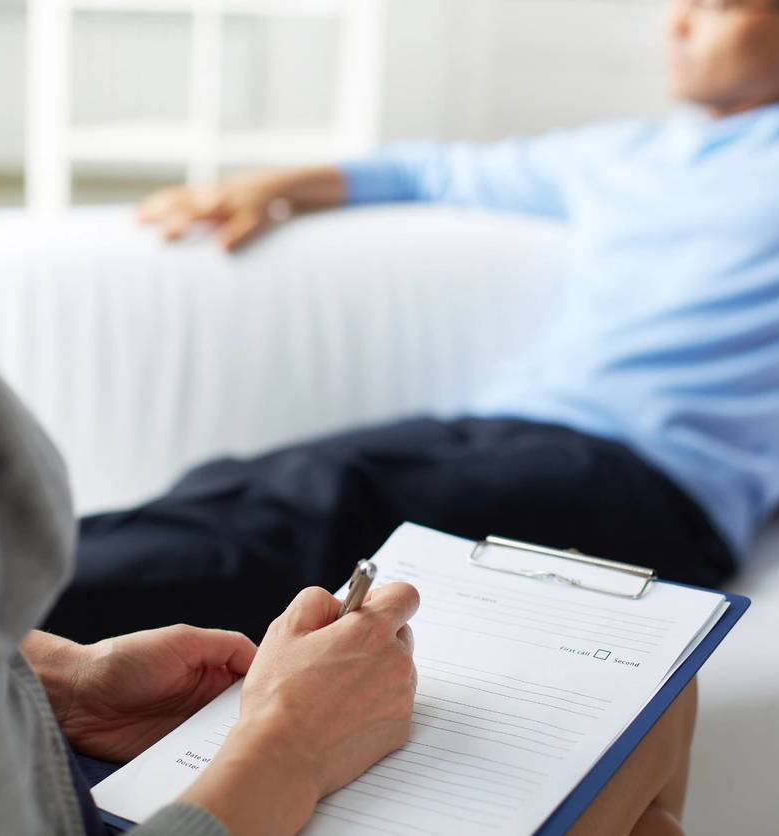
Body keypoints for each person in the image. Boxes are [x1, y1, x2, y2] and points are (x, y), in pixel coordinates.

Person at [0, 214, 698, 836]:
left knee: (658, 700)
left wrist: (65, 683)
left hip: (48, 753)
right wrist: (290, 746)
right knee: (644, 725)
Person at [45, 0, 779, 645]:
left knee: (320, 507)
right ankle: (2, 597)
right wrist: (274, 184)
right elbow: (433, 172)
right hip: (509, 431)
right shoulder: (626, 156)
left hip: (655, 488)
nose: (676, 24)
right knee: (241, 484)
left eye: (717, 4)